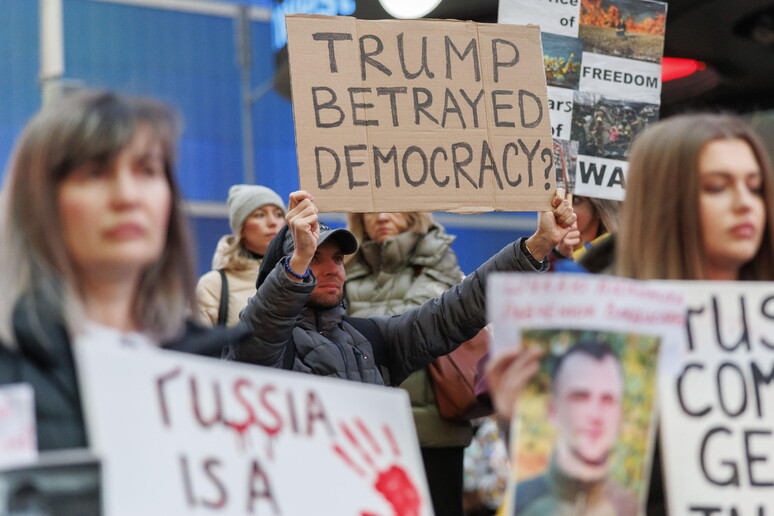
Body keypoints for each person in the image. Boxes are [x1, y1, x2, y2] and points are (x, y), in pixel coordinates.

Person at [487, 113, 774, 515]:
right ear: (665, 203)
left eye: (756, 187)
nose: (746, 204)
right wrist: (530, 424)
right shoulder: (597, 332)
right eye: (716, 187)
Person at [0, 90, 248, 451]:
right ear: (38, 201)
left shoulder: (211, 366)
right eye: (95, 173)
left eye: (147, 170)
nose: (128, 196)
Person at [233, 189, 576, 389]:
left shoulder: (369, 337)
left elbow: (455, 310)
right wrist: (298, 260)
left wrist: (539, 244)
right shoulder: (262, 347)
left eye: (337, 258)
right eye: (313, 257)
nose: (331, 268)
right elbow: (260, 332)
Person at [344, 211, 470, 516]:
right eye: (370, 210)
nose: (382, 216)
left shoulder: (440, 259)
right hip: (369, 433)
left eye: (393, 207)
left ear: (413, 214)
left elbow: (434, 325)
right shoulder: (344, 267)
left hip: (435, 431)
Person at [514, 341, 636, 516]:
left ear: (620, 415)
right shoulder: (519, 501)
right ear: (553, 411)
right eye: (580, 397)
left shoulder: (632, 507)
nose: (595, 414)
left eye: (607, 400)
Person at [196, 184, 285, 327]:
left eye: (279, 214)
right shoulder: (213, 285)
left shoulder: (301, 275)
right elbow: (197, 344)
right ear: (241, 228)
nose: (273, 222)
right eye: (260, 215)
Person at [552, 196, 620, 264]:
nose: (562, 209)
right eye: (560, 199)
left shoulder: (614, 255)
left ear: (598, 210)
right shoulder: (545, 248)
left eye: (575, 200)